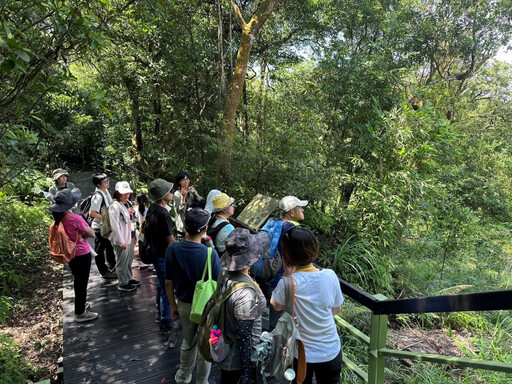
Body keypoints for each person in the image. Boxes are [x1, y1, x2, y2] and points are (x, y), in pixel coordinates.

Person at [271, 227, 343, 384]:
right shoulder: (330, 275)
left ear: (288, 254)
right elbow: (336, 309)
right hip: (331, 349)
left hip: (301, 354)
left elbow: (275, 305)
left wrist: (286, 274)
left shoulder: (287, 283)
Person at [165, 208, 222, 384]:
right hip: (206, 308)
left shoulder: (173, 248)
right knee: (205, 346)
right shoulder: (209, 254)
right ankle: (202, 381)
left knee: (188, 343)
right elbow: (219, 285)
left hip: (184, 304)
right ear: (205, 229)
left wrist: (173, 306)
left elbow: (168, 282)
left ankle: (183, 377)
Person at [217, 228, 268, 384]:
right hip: (237, 362)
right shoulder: (245, 293)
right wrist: (248, 373)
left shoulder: (226, 274)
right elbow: (244, 337)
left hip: (226, 347)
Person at [49, 188, 98, 322]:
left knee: (77, 280)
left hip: (70, 254)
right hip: (82, 253)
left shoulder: (59, 218)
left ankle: (80, 306)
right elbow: (92, 233)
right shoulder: (75, 218)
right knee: (82, 282)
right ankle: (80, 313)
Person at [146, 179, 176, 331]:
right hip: (164, 255)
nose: (172, 193)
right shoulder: (163, 214)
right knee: (166, 286)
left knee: (160, 283)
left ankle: (159, 311)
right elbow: (170, 240)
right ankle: (166, 320)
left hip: (155, 252)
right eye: (169, 191)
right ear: (163, 195)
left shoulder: (152, 208)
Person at [109, 181, 140, 292]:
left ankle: (129, 278)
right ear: (117, 193)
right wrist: (121, 241)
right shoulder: (114, 206)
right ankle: (123, 282)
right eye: (123, 193)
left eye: (128, 193)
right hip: (121, 238)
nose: (126, 196)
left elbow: (133, 220)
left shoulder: (128, 204)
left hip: (130, 236)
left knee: (129, 259)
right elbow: (115, 226)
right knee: (122, 260)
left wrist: (135, 234)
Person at [88, 173, 117, 280]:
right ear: (99, 184)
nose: (108, 182)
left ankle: (112, 266)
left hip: (106, 226)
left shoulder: (105, 192)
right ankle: (103, 271)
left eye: (107, 180)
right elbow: (92, 213)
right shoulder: (98, 196)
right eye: (105, 181)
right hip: (99, 227)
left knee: (109, 246)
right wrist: (106, 219)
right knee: (99, 250)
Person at [173, 171, 203, 240]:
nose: (186, 181)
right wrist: (183, 198)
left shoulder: (191, 190)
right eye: (183, 180)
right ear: (179, 182)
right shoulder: (177, 194)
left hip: (192, 223)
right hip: (182, 225)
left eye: (187, 179)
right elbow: (179, 211)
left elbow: (202, 202)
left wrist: (196, 194)